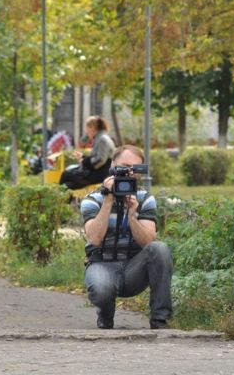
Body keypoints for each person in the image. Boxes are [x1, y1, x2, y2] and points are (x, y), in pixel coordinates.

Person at [81, 145, 173, 330]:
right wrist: (108, 201)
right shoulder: (92, 200)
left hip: (134, 268)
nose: (128, 173)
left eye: (134, 169)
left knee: (160, 249)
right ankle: (105, 316)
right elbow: (95, 239)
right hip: (102, 264)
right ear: (113, 165)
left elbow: (148, 242)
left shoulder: (144, 199)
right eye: (124, 166)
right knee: (101, 288)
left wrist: (132, 216)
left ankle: (160, 321)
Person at [59, 116, 115, 189]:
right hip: (96, 173)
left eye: (87, 128)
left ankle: (60, 197)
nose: (86, 131)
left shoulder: (102, 139)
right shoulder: (100, 138)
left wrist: (84, 161)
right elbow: (95, 158)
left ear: (92, 127)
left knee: (67, 175)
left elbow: (100, 160)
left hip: (99, 175)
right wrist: (83, 157)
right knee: (67, 182)